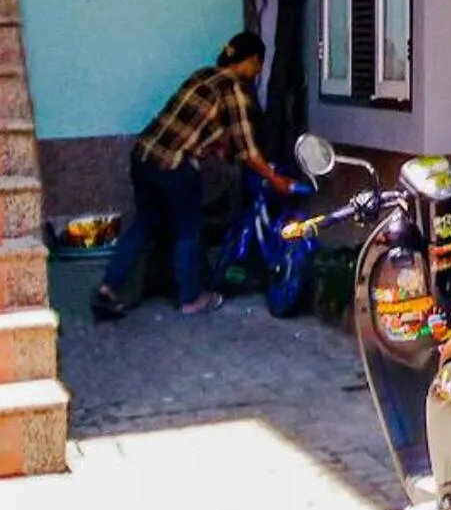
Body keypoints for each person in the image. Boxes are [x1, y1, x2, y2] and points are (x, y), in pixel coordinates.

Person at [91, 32, 297, 320]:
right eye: (258, 65)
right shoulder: (233, 90)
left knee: (145, 225)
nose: (258, 72)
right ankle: (190, 298)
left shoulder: (203, 76)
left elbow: (194, 124)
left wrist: (217, 148)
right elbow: (249, 151)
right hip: (174, 164)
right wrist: (277, 181)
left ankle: (108, 288)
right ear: (251, 60)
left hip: (143, 155)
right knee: (188, 230)